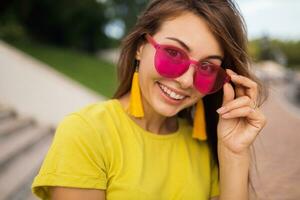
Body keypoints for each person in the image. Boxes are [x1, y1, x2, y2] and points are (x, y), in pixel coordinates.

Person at [31, 0, 268, 199]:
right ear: (141, 48)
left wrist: (234, 154)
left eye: (207, 67)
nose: (186, 81)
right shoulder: (86, 132)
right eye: (173, 53)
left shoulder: (204, 147)